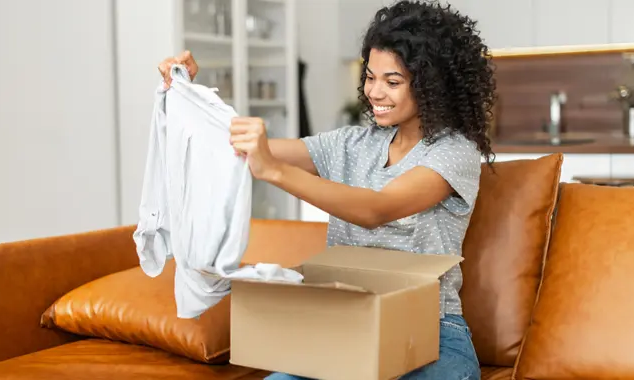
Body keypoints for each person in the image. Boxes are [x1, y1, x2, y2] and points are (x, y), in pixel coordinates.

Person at [158, 0, 495, 378]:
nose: (375, 92)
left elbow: (377, 209)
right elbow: (236, 146)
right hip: (344, 325)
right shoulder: (351, 144)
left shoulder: (455, 151)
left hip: (432, 331)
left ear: (432, 83)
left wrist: (275, 171)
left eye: (393, 81)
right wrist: (189, 93)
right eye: (370, 77)